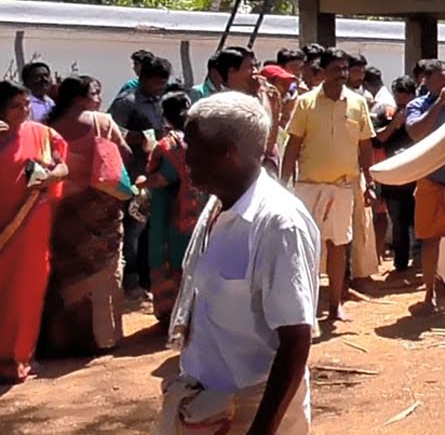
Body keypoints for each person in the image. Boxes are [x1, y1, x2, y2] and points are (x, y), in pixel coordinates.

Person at [153, 92, 318, 435]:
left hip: (251, 414)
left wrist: (260, 430)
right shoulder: (216, 206)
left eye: (192, 146)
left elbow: (296, 339)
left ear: (226, 153)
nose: (185, 158)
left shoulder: (278, 224)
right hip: (203, 407)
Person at [281, 48, 376, 322]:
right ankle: (305, 307)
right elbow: (293, 145)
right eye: (336, 69)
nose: (342, 74)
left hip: (344, 186)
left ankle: (335, 304)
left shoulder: (358, 103)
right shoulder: (305, 103)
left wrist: (369, 181)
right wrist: (283, 183)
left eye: (345, 69)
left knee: (338, 244)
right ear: (322, 72)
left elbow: (365, 145)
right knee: (306, 245)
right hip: (308, 186)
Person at [43, 75, 132, 355]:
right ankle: (104, 337)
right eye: (95, 93)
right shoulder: (101, 122)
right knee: (104, 271)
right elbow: (125, 155)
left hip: (63, 210)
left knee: (67, 270)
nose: (99, 98)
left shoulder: (47, 128)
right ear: (80, 97)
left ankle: (65, 339)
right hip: (101, 208)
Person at [0, 81, 69, 383]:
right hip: (4, 226)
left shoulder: (42, 134)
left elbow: (63, 166)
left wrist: (51, 176)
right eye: (17, 105)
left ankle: (17, 359)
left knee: (27, 291)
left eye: (26, 103)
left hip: (31, 225)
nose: (25, 110)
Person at [139, 91, 206, 325]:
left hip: (172, 213)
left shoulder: (169, 145)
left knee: (172, 259)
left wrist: (143, 181)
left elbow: (164, 179)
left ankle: (174, 314)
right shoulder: (202, 138)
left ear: (164, 116)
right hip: (200, 210)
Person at [404, 59, 445, 312]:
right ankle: (429, 296)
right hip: (432, 182)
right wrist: (439, 105)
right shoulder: (418, 105)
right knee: (430, 240)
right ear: (426, 81)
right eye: (441, 78)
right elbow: (416, 132)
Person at [110, 56, 171, 296]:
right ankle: (130, 282)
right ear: (144, 79)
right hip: (132, 173)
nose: (160, 87)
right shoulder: (127, 102)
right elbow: (113, 134)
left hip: (153, 172)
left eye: (163, 83)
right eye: (157, 82)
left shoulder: (159, 102)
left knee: (149, 227)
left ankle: (146, 279)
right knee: (132, 227)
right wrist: (139, 138)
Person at [372, 76, 418, 274]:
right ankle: (400, 265)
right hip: (394, 178)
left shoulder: (420, 112)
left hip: (417, 175)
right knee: (398, 223)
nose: (403, 98)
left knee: (419, 223)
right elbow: (378, 139)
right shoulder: (386, 113)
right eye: (399, 93)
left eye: (406, 94)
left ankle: (420, 262)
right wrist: (395, 124)